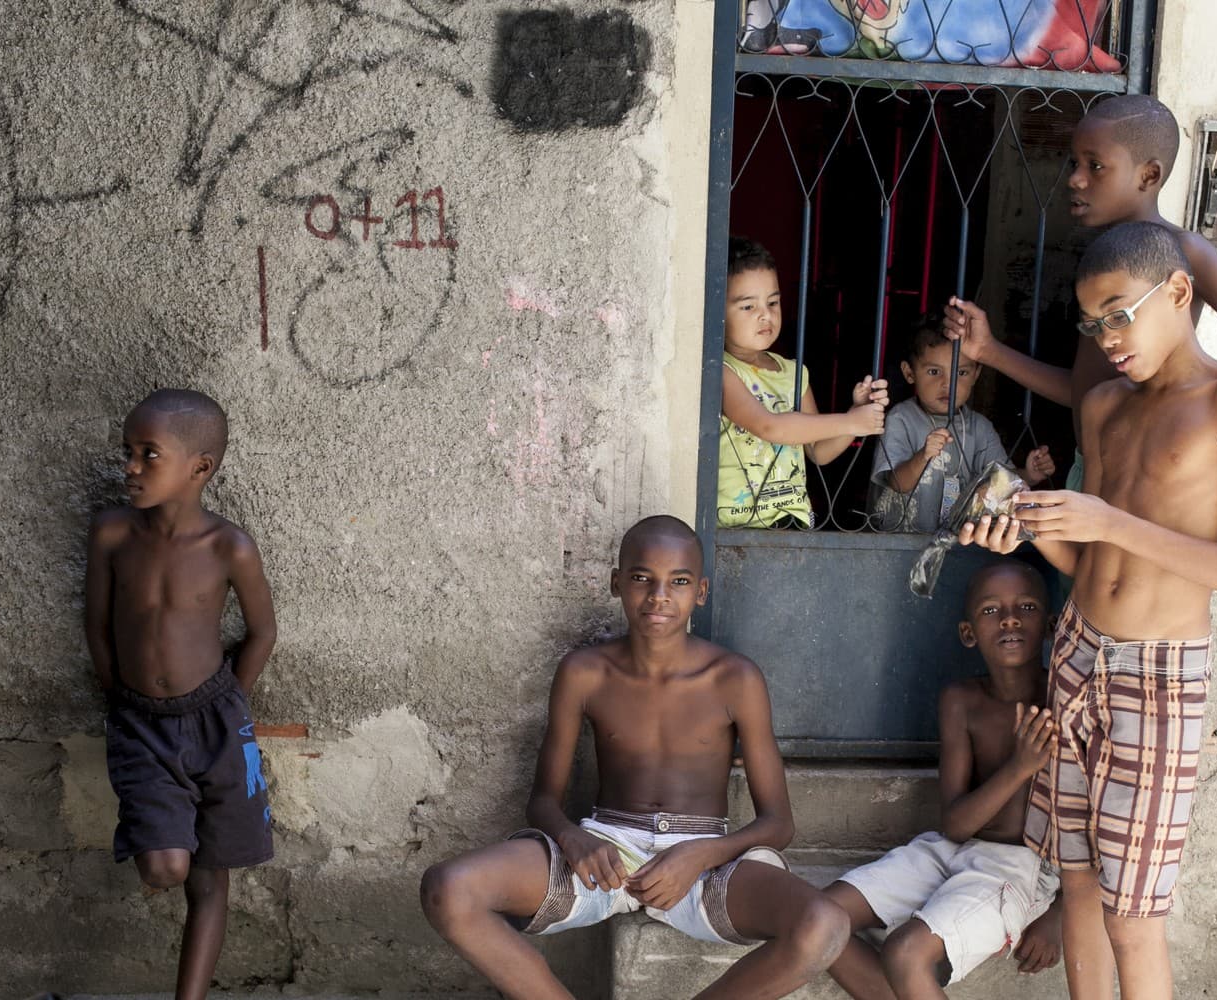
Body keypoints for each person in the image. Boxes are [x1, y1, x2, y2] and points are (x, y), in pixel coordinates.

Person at [961, 222, 1217, 1000]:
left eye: (1119, 313)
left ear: (1178, 293)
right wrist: (1034, 529)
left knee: (1134, 915)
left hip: (1161, 675)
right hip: (1078, 651)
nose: (1106, 338)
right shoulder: (1106, 406)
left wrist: (1111, 523)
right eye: (1091, 322)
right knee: (1075, 879)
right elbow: (1092, 562)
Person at [419, 516, 851, 999]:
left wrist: (701, 854)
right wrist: (574, 838)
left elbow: (778, 824)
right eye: (642, 577)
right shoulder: (585, 673)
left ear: (701, 591)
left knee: (825, 925)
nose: (659, 596)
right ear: (616, 582)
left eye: (679, 581)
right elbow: (542, 801)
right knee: (449, 889)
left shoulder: (736, 679)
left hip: (704, 858)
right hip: (607, 849)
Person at [942, 93, 1217, 480]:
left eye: (1095, 166)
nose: (1075, 179)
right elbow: (1084, 389)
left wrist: (1207, 429)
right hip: (1091, 469)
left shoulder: (1184, 250)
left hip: (1145, 474)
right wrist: (990, 351)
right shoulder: (1103, 263)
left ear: (1149, 176)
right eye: (1075, 163)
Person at [84, 389, 279, 1000]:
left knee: (209, 875)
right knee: (165, 865)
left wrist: (231, 701)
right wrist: (118, 693)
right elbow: (95, 622)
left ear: (200, 468)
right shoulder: (113, 533)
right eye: (128, 452)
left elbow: (262, 630)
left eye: (149, 455)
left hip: (217, 718)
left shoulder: (229, 547)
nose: (130, 468)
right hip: (141, 722)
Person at [822, 561, 1066, 998]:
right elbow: (955, 825)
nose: (1009, 618)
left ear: (1051, 625)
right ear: (968, 633)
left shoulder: (1063, 703)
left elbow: (1101, 824)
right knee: (819, 918)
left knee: (905, 954)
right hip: (952, 848)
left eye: (1025, 607)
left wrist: (1060, 916)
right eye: (991, 611)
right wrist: (1020, 767)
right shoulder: (961, 700)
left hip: (1021, 869)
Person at [718, 237, 889, 528]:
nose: (765, 314)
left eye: (773, 302)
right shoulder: (722, 371)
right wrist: (851, 423)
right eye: (748, 307)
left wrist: (853, 414)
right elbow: (768, 426)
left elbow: (818, 452)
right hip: (740, 526)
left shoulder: (794, 373)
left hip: (792, 522)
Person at [869, 314, 1056, 532]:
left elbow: (1002, 482)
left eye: (961, 372)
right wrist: (923, 456)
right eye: (933, 372)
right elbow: (896, 482)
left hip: (959, 542)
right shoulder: (900, 419)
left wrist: (1029, 475)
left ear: (976, 375)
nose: (948, 384)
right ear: (909, 373)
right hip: (899, 540)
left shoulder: (979, 428)